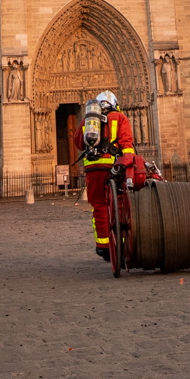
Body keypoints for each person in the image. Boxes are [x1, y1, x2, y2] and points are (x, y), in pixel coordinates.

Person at [80, 91, 137, 262]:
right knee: (119, 204)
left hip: (93, 168)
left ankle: (103, 246)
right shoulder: (120, 117)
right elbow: (127, 143)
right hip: (113, 166)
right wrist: (129, 163)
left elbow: (78, 142)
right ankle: (122, 243)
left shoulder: (88, 120)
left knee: (99, 205)